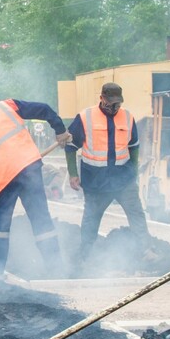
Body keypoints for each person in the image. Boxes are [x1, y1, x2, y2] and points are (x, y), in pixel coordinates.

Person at [0, 90, 71, 277]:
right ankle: (56, 269)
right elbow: (44, 109)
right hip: (29, 169)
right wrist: (60, 130)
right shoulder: (7, 106)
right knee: (41, 219)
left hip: (3, 179)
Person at [64, 82, 153, 267]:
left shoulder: (127, 117)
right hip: (96, 182)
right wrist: (73, 174)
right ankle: (85, 255)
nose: (114, 107)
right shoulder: (85, 117)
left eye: (117, 103)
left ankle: (145, 251)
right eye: (110, 102)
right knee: (91, 218)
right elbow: (70, 146)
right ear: (101, 98)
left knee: (136, 213)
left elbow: (134, 147)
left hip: (123, 179)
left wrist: (134, 171)